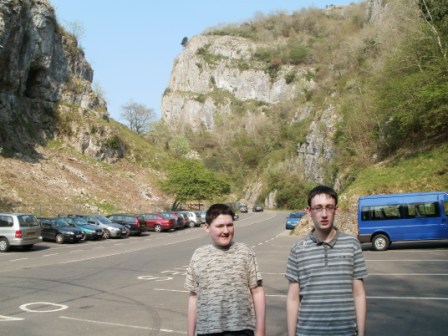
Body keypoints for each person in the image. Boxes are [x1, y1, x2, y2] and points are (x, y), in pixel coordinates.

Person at [285, 185, 368, 336]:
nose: (324, 214)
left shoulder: (352, 244)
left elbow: (359, 294)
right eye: (318, 208)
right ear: (309, 211)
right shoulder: (298, 249)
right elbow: (293, 298)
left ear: (336, 209)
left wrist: (361, 333)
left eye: (329, 207)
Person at [185, 203, 266, 336]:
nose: (226, 231)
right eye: (219, 226)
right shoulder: (198, 255)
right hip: (207, 330)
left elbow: (257, 291)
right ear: (207, 228)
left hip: (241, 330)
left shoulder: (245, 252)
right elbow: (194, 297)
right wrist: (190, 333)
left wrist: (261, 330)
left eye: (229, 225)